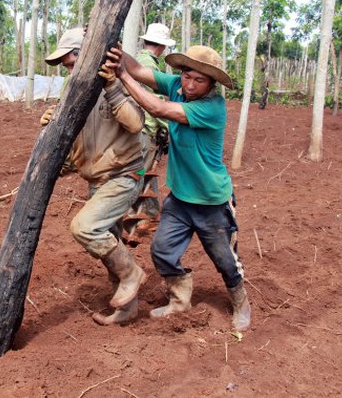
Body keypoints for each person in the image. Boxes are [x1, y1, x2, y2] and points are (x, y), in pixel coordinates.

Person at [104, 44, 251, 332]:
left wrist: (121, 75)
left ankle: (241, 302)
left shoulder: (212, 107)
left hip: (211, 201)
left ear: (211, 84)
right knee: (162, 250)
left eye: (200, 80)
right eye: (187, 76)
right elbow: (139, 70)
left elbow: (157, 108)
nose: (191, 84)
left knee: (225, 260)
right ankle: (180, 300)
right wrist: (117, 53)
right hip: (181, 198)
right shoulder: (176, 85)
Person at [41, 27, 147, 326]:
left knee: (85, 227)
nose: (71, 71)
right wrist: (51, 126)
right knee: (109, 242)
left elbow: (136, 124)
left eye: (74, 63)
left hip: (123, 175)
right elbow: (73, 153)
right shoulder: (72, 94)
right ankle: (127, 309)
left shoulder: (116, 82)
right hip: (97, 181)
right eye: (67, 67)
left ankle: (132, 274)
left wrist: (113, 85)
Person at [124, 24, 176, 237]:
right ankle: (131, 214)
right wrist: (166, 127)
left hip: (141, 126)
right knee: (139, 172)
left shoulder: (140, 60)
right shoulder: (148, 65)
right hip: (146, 127)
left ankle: (151, 214)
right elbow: (152, 102)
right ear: (162, 47)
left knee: (145, 171)